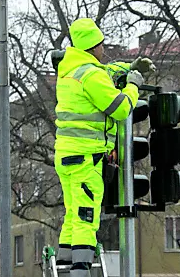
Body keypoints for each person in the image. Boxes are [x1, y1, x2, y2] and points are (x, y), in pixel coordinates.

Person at [53, 18, 155, 277]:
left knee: (73, 212)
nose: (103, 48)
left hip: (67, 156)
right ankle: (80, 269)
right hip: (86, 157)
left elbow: (106, 70)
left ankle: (65, 262)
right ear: (92, 46)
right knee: (87, 214)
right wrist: (134, 85)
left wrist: (128, 67)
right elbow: (120, 108)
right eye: (100, 44)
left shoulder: (71, 71)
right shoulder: (91, 75)